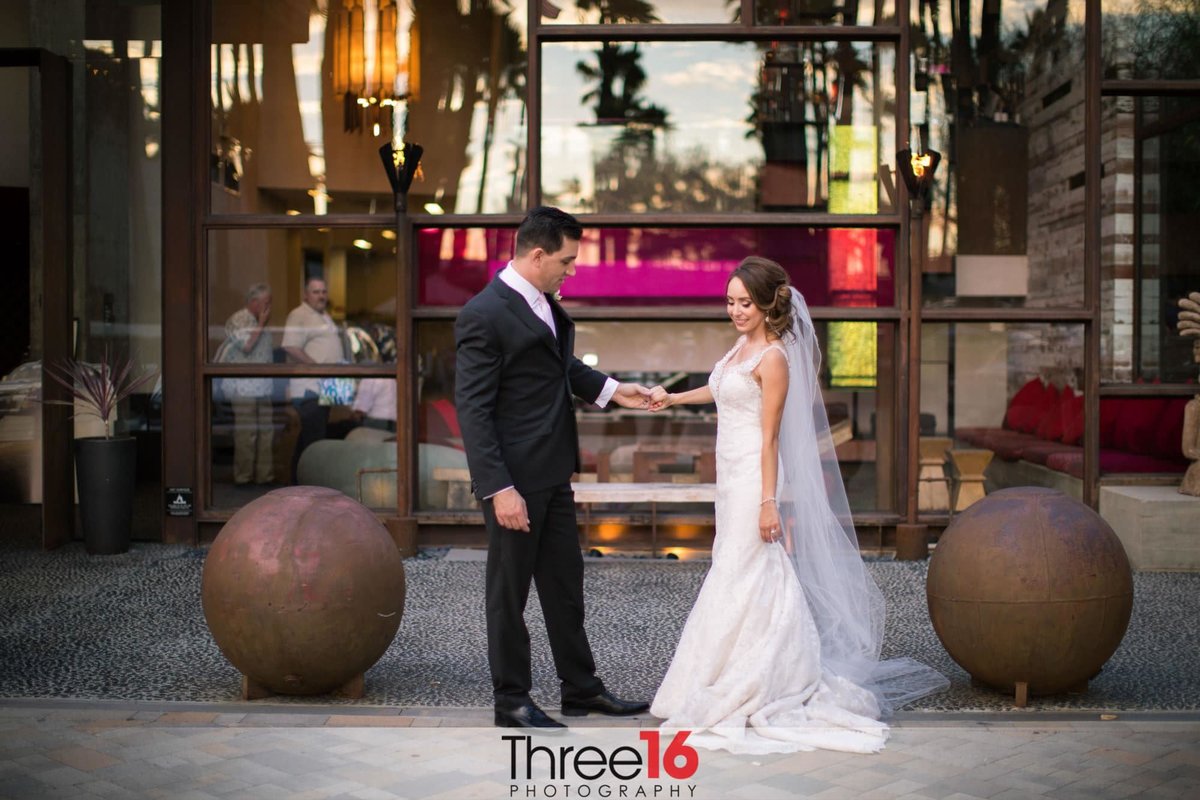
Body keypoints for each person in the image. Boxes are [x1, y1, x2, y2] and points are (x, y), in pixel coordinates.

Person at [647, 257, 947, 754]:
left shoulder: (775, 359)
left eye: (745, 303)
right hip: (731, 476)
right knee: (736, 567)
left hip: (754, 478)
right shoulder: (743, 347)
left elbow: (770, 440)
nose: (736, 311)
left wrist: (769, 503)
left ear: (768, 304)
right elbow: (722, 388)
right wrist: (674, 399)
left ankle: (766, 675)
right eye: (730, 302)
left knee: (746, 569)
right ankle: (726, 670)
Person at [455, 206, 653, 730]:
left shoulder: (540, 301)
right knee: (509, 595)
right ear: (537, 254)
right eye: (566, 261)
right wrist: (499, 488)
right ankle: (511, 701)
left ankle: (581, 690)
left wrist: (615, 391)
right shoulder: (484, 313)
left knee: (566, 587)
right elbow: (472, 410)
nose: (572, 270)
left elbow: (558, 367)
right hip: (514, 483)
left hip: (553, 473)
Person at [282, 277, 346, 483]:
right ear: (306, 295)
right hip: (310, 387)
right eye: (316, 292)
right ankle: (311, 485)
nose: (321, 296)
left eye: (324, 292)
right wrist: (315, 366)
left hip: (327, 386)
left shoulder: (324, 315)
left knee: (309, 437)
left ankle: (296, 482)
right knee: (314, 439)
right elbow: (290, 346)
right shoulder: (298, 314)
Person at [220, 283, 276, 486]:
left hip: (263, 386)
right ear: (254, 302)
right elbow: (246, 346)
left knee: (266, 432)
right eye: (266, 302)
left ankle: (264, 476)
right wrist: (260, 324)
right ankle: (244, 477)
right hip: (243, 386)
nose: (269, 306)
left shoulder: (262, 321)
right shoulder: (239, 319)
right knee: (247, 432)